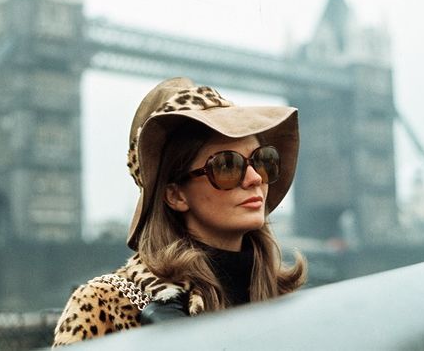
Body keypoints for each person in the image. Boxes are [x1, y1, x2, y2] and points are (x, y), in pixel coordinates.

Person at [53, 77, 307, 346]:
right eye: (227, 166)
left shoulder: (290, 300)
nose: (255, 178)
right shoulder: (105, 305)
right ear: (175, 195)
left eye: (262, 160)